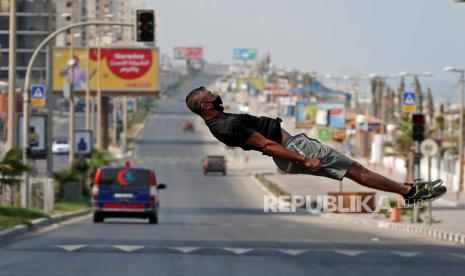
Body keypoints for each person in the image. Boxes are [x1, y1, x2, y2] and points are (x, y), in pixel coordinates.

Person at [185, 86, 447, 206]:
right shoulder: (226, 125)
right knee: (355, 170)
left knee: (355, 171)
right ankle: (410, 192)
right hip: (296, 149)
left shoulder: (219, 124)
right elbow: (267, 145)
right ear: (205, 105)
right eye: (211, 95)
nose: (216, 95)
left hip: (294, 149)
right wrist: (304, 159)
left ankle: (408, 190)